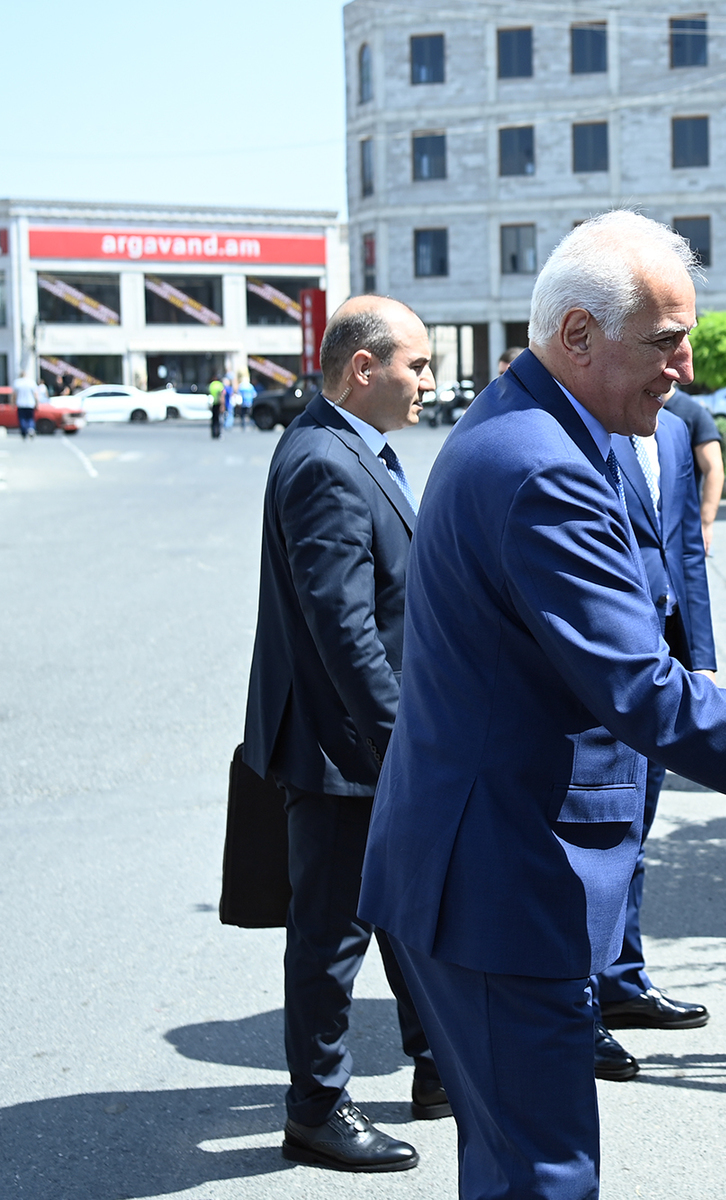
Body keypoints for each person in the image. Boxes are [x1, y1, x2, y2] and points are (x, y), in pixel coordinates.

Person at [357, 210, 726, 1200]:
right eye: (667, 341)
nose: (686, 368)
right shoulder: (541, 464)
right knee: (541, 1179)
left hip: (480, 870)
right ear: (578, 334)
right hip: (498, 884)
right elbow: (641, 689)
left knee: (513, 1169)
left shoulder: (532, 430)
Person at [241, 295, 444, 1173]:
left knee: (403, 911)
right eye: (418, 365)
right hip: (343, 750)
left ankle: (438, 1065)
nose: (429, 382)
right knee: (331, 935)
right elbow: (344, 629)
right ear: (365, 368)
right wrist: (403, 744)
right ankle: (316, 1109)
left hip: (360, 743)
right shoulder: (326, 460)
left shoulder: (349, 447)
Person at [590, 400, 717, 1082]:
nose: (681, 365)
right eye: (666, 348)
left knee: (635, 833)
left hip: (665, 659)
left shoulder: (673, 429)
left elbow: (685, 544)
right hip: (607, 661)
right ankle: (581, 1006)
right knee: (596, 839)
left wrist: (702, 656)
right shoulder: (588, 425)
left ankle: (622, 980)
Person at [659, 387, 725, 552]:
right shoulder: (632, 410)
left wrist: (705, 523)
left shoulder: (693, 412)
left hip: (682, 522)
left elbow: (714, 469)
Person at [12, 369, 39, 439]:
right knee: (30, 418)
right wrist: (37, 403)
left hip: (20, 404)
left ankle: (24, 431)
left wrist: (12, 403)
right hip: (30, 404)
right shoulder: (31, 382)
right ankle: (31, 428)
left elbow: (14, 395)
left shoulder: (17, 382)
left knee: (22, 418)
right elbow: (35, 394)